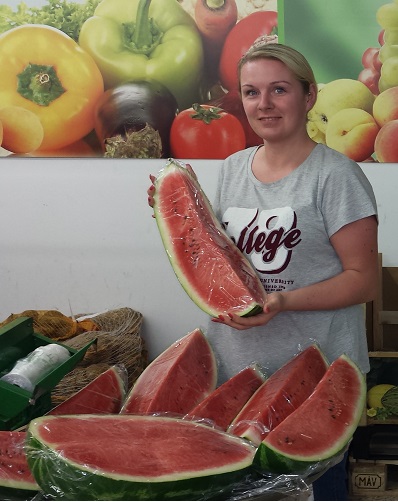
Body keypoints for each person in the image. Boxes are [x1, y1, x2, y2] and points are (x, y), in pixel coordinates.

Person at [148, 40, 378, 501]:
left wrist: (283, 300)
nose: (264, 104)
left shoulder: (336, 176)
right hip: (236, 371)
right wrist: (176, 210)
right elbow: (216, 253)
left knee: (316, 493)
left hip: (316, 379)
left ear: (308, 96)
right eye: (251, 92)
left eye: (279, 90)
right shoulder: (233, 167)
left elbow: (364, 279)